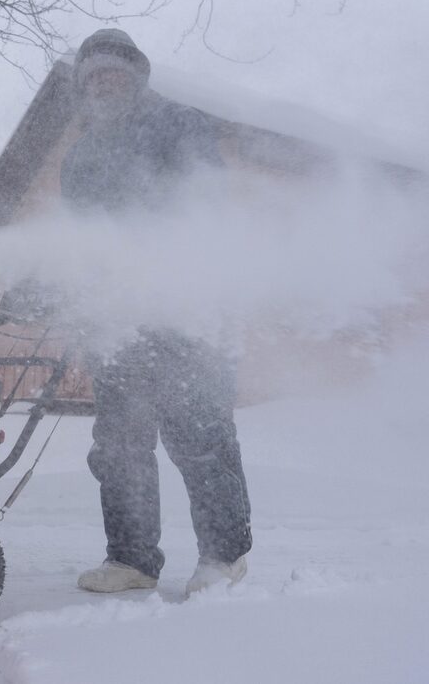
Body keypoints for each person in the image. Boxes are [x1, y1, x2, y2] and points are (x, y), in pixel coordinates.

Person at [61, 29, 253, 597]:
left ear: (137, 74)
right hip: (118, 320)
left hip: (186, 308)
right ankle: (132, 559)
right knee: (119, 443)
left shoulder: (178, 124)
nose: (103, 81)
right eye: (92, 75)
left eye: (114, 71)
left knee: (199, 434)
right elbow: (74, 236)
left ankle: (224, 558)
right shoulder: (80, 153)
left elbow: (205, 208)